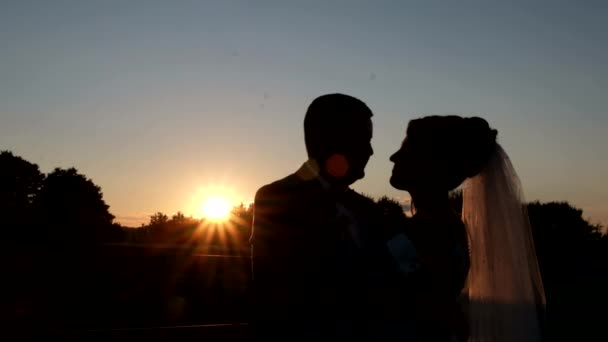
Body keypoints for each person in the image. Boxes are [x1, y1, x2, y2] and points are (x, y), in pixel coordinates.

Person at [250, 94, 395, 340]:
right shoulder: (277, 197)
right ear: (328, 140)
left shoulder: (366, 209)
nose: (370, 151)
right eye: (362, 140)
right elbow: (270, 289)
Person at [389, 115, 546, 342]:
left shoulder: (433, 231)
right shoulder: (439, 224)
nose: (394, 156)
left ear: (432, 163)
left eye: (407, 150)